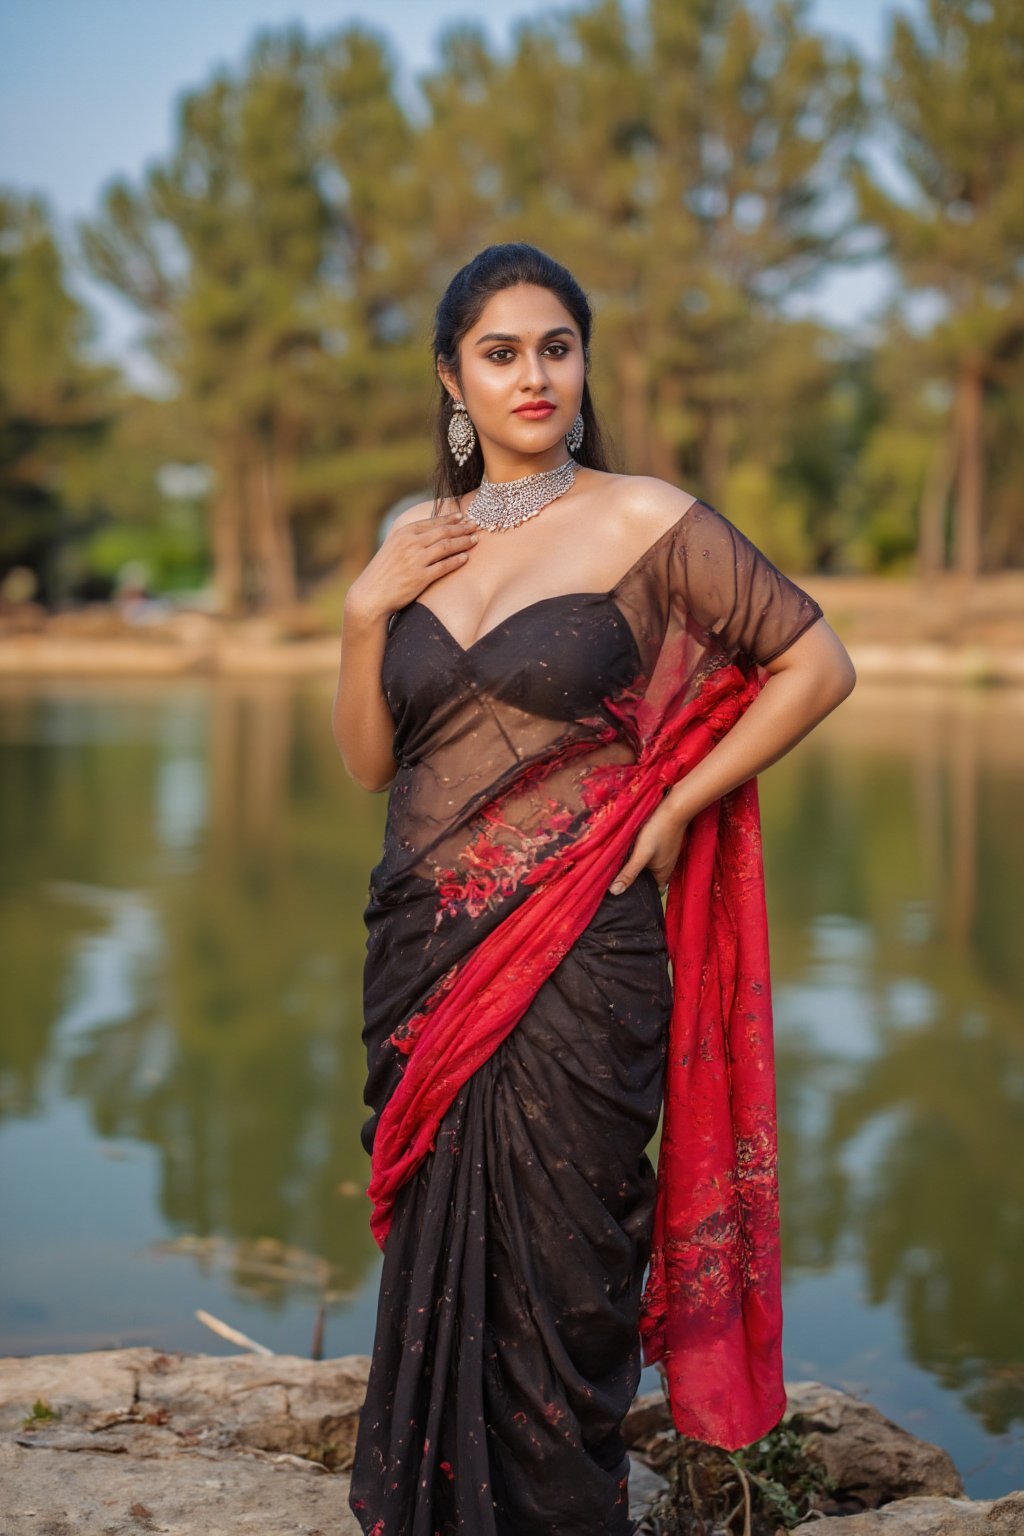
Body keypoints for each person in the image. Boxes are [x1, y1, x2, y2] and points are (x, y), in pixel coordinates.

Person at [333, 242, 856, 1536]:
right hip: (423, 948)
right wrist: (359, 616)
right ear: (453, 378)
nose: (533, 375)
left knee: (570, 1259)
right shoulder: (418, 538)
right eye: (501, 353)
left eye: (556, 348)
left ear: (583, 364)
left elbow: (817, 664)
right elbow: (367, 763)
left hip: (580, 948)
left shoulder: (643, 519)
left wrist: (677, 802)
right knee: (445, 1256)